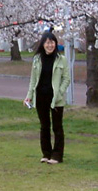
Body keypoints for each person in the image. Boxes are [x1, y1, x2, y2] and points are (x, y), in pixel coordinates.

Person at [24, 31, 71, 164]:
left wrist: (60, 93)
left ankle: (57, 155)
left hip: (56, 98)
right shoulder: (37, 59)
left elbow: (66, 79)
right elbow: (33, 80)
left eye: (52, 42)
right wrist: (29, 96)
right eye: (47, 43)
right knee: (44, 126)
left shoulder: (61, 59)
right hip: (41, 96)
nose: (50, 45)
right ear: (43, 44)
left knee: (57, 127)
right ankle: (46, 153)